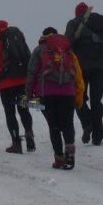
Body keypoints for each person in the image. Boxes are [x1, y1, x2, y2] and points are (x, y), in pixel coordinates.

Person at [25, 27, 85, 169]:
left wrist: (28, 95)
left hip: (47, 94)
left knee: (54, 126)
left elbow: (31, 73)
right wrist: (78, 94)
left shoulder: (39, 50)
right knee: (68, 124)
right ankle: (70, 155)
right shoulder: (67, 50)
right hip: (68, 92)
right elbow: (77, 73)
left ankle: (59, 158)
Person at [0, 20, 35, 154]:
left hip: (6, 85)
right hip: (22, 82)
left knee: (10, 113)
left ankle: (16, 144)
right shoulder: (17, 38)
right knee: (24, 110)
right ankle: (29, 134)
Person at [65, 2, 103, 145]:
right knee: (96, 100)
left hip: (81, 68)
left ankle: (87, 123)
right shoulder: (101, 22)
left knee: (79, 98)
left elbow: (67, 44)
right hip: (100, 66)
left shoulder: (74, 23)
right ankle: (98, 135)